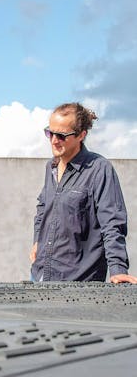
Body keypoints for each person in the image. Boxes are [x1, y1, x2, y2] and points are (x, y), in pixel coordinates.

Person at [30, 102, 137, 283]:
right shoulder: (51, 167)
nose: (54, 140)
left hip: (79, 282)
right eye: (50, 133)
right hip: (41, 274)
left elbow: (112, 223)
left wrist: (118, 269)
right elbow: (43, 209)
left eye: (62, 135)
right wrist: (37, 241)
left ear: (81, 135)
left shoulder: (99, 169)